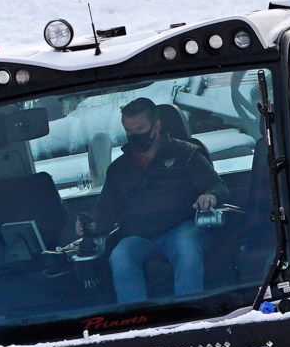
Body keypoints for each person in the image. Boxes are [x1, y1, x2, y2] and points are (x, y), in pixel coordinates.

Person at [93, 97, 227, 302]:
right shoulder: (119, 169)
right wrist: (90, 226)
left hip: (182, 229)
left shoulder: (187, 154)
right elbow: (105, 213)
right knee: (120, 255)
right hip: (138, 236)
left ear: (156, 126)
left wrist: (210, 196)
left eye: (140, 129)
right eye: (129, 130)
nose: (134, 135)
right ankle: (137, 324)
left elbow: (218, 186)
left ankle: (188, 316)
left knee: (186, 248)